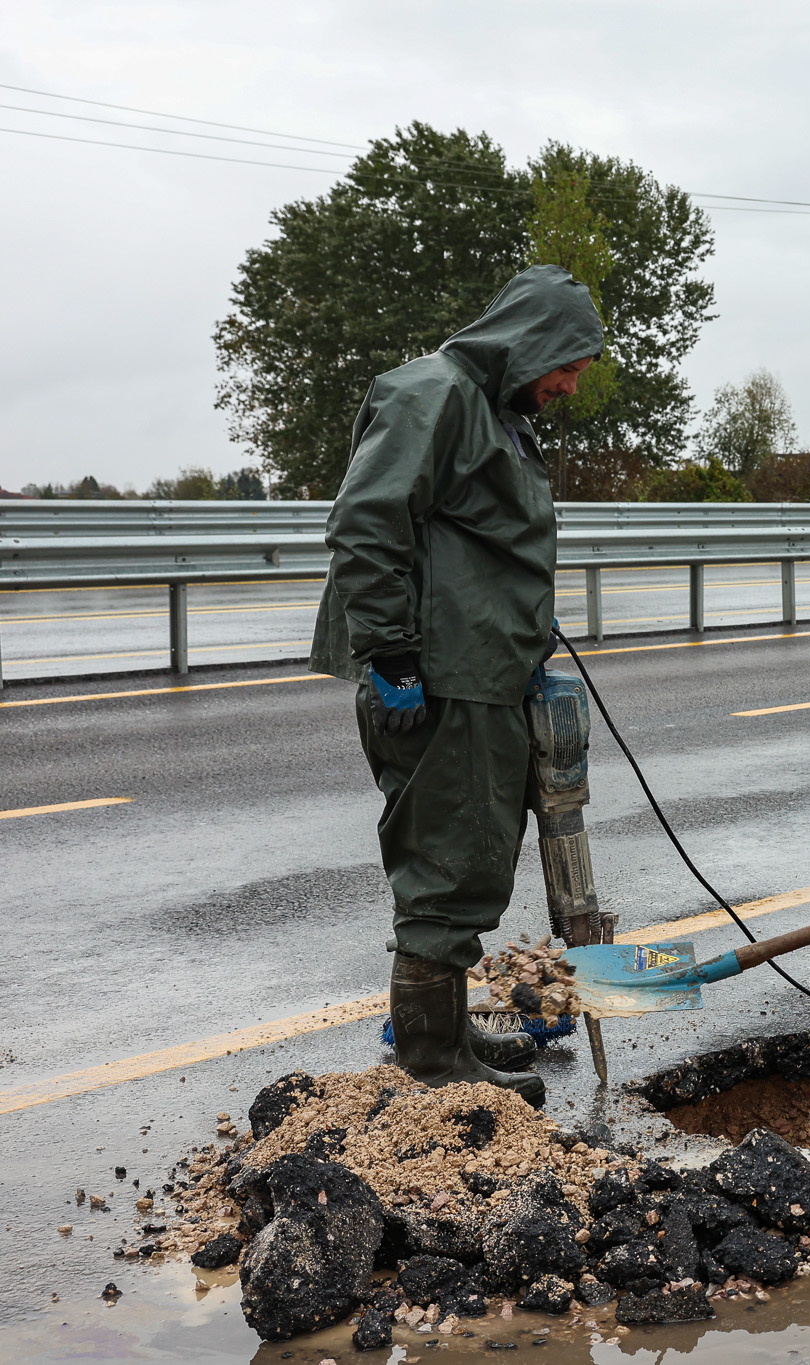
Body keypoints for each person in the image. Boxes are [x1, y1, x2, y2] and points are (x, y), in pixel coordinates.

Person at [309, 264, 605, 1108]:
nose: (570, 385)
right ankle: (433, 1063)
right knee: (444, 868)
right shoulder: (433, 395)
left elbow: (476, 542)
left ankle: (447, 1033)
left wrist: (522, 620)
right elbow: (366, 520)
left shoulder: (492, 411)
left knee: (472, 859)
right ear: (531, 343)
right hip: (440, 682)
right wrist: (392, 654)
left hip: (482, 672)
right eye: (568, 365)